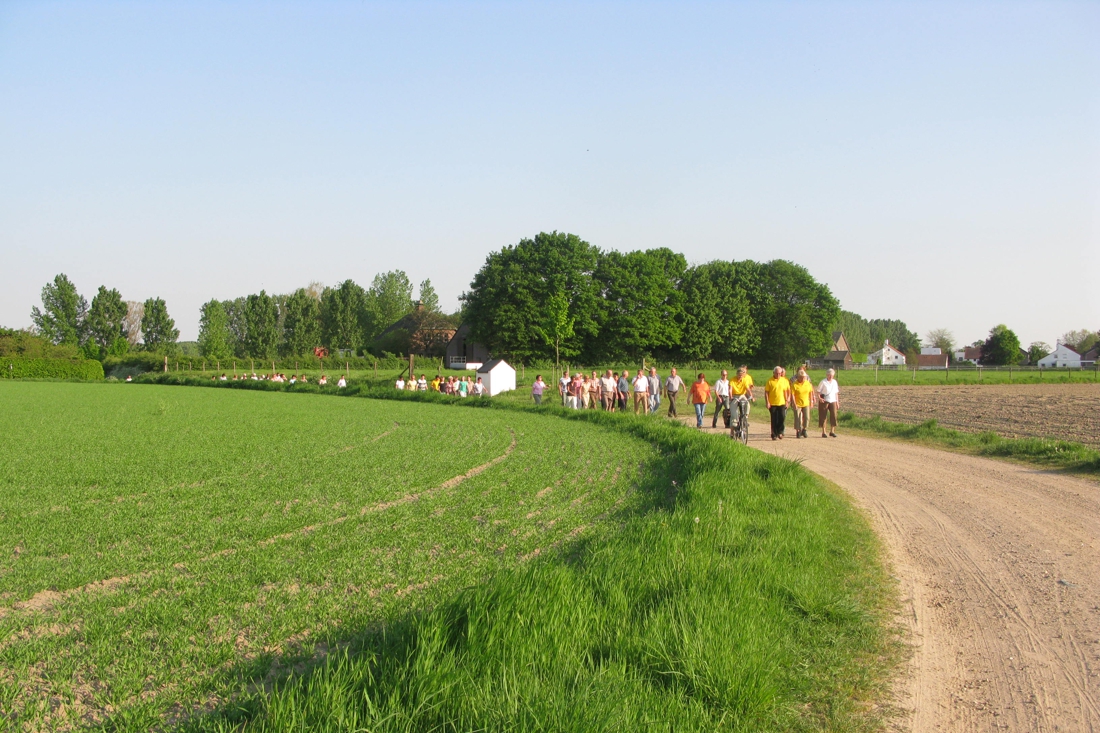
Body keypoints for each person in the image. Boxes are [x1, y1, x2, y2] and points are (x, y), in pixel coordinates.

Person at [764, 366, 791, 440]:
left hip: (782, 402)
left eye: (780, 373)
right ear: (774, 373)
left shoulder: (784, 380)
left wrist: (787, 400)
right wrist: (767, 402)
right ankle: (774, 434)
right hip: (772, 403)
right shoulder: (770, 381)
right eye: (777, 373)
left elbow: (788, 391)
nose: (778, 375)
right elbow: (766, 392)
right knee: (774, 418)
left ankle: (780, 431)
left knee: (782, 417)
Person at [790, 369, 815, 438]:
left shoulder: (808, 384)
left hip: (806, 403)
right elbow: (792, 395)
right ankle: (798, 431)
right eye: (802, 377)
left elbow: (810, 393)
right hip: (797, 403)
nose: (804, 378)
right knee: (797, 418)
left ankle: (804, 429)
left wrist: (811, 401)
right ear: (799, 377)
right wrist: (794, 403)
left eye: (805, 377)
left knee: (807, 417)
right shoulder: (794, 384)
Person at [817, 368, 841, 438]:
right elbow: (818, 391)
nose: (830, 377)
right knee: (823, 416)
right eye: (829, 375)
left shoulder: (835, 382)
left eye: (832, 375)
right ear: (827, 375)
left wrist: (837, 402)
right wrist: (819, 398)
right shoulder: (823, 382)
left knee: (834, 415)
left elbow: (836, 393)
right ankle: (824, 432)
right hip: (824, 401)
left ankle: (832, 431)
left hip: (833, 400)